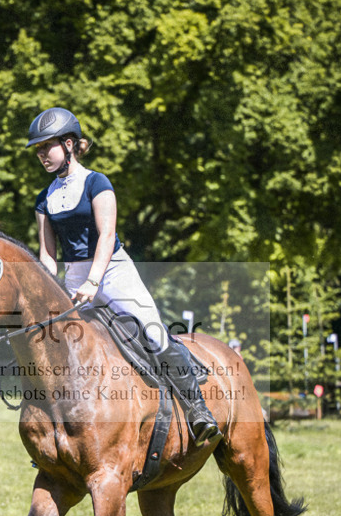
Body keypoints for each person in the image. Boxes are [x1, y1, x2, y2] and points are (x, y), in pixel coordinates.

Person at [27, 106, 221, 446]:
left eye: (48, 146)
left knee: (153, 331)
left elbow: (106, 235)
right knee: (57, 346)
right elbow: (48, 254)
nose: (42, 153)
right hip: (74, 277)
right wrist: (45, 291)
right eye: (39, 148)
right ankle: (55, 433)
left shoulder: (97, 183)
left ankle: (197, 409)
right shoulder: (45, 198)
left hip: (113, 271)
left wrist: (93, 282)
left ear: (70, 144)